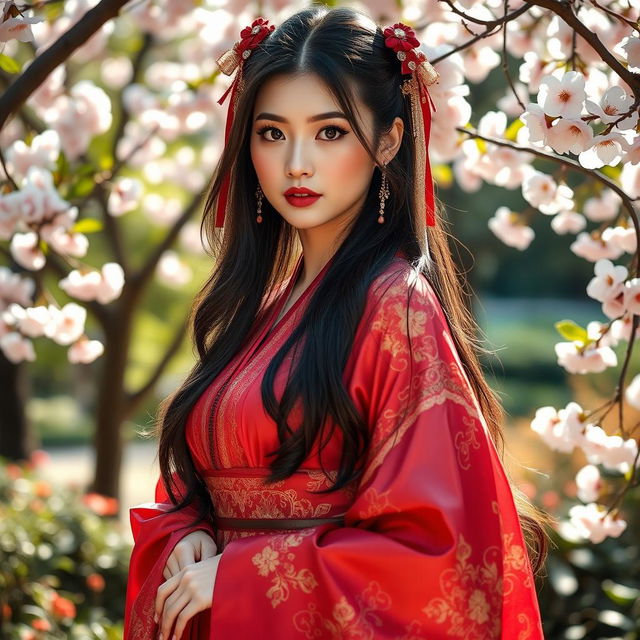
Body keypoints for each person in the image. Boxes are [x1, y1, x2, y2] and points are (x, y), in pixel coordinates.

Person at [123, 5, 551, 639]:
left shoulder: (395, 307)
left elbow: (432, 551)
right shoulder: (260, 306)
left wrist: (243, 575)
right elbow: (195, 479)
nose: (297, 162)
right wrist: (185, 532)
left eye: (329, 132)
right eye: (272, 133)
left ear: (388, 140)